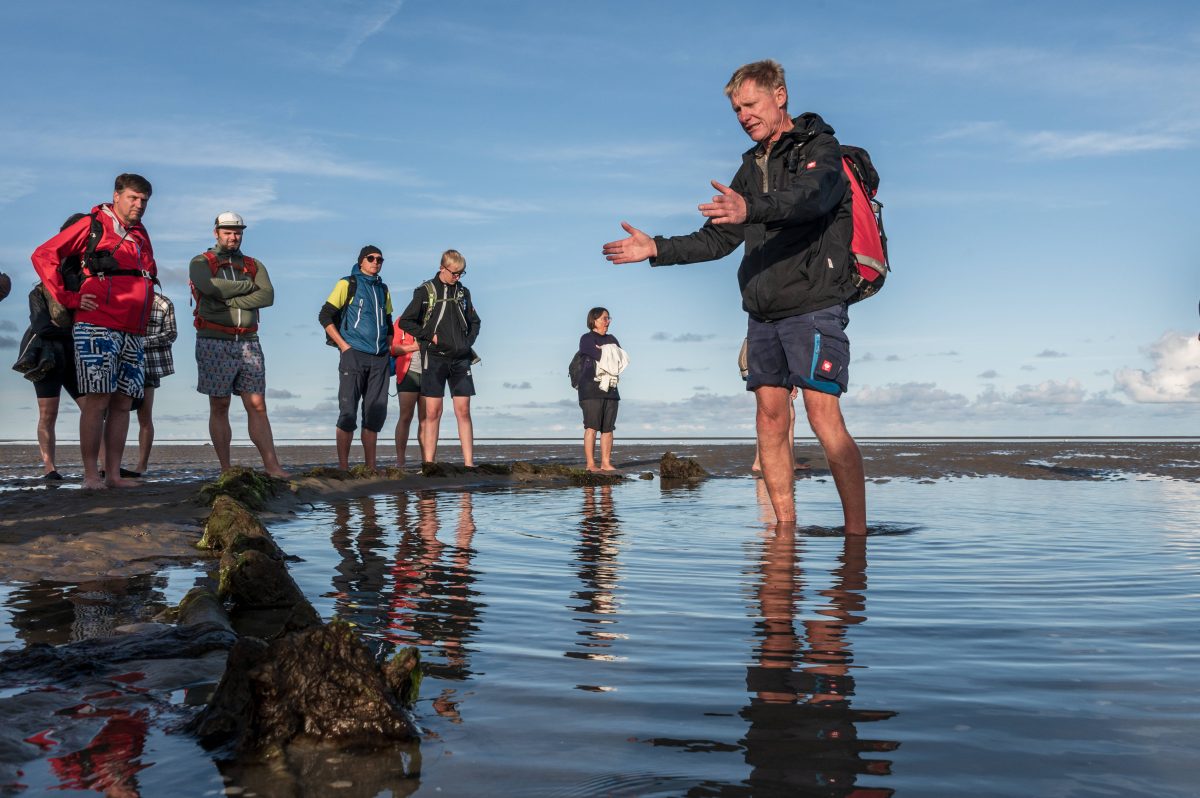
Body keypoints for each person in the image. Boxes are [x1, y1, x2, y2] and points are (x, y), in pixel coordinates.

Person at [603, 59, 867, 533]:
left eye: (750, 105)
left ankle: (856, 536)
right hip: (762, 313)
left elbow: (812, 198)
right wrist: (656, 248)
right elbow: (716, 240)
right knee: (769, 416)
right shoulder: (749, 167)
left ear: (779, 95)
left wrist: (753, 207)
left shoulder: (819, 148)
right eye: (737, 110)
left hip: (813, 302)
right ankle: (785, 529)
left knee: (821, 414)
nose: (744, 116)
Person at [31, 174, 157, 490]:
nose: (139, 205)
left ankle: (112, 475)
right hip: (97, 325)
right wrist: (69, 297)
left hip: (134, 329)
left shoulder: (140, 233)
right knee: (97, 400)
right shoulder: (92, 224)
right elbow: (43, 255)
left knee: (124, 401)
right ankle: (91, 476)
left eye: (144, 200)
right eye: (133, 198)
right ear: (116, 196)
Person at [191, 211, 288, 478]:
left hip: (249, 340)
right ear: (216, 232)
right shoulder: (201, 261)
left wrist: (232, 300)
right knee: (219, 404)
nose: (233, 236)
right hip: (213, 340)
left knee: (258, 405)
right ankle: (226, 468)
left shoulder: (254, 264)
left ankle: (273, 467)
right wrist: (248, 287)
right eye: (228, 232)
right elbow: (209, 288)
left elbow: (267, 295)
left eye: (237, 232)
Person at [398, 250, 481, 466]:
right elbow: (406, 321)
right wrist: (430, 337)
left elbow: (475, 321)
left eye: (462, 273)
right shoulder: (425, 291)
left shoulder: (464, 292)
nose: (458, 278)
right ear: (442, 268)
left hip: (461, 358)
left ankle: (469, 464)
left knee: (463, 410)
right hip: (434, 358)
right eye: (454, 273)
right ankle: (429, 464)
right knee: (433, 412)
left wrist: (467, 342)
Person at [320, 245, 394, 471]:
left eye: (380, 259)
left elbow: (389, 324)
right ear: (361, 261)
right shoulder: (347, 283)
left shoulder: (383, 289)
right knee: (348, 412)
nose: (375, 262)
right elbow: (325, 315)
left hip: (380, 358)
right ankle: (344, 469)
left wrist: (388, 349)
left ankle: (370, 469)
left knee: (374, 415)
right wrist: (344, 346)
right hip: (353, 355)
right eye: (371, 258)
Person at [129, 280, 176, 476]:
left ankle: (142, 465)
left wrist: (141, 342)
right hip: (123, 361)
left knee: (144, 416)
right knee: (112, 413)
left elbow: (171, 333)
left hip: (149, 364)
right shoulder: (124, 299)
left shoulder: (164, 303)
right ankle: (108, 465)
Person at [576, 307, 625, 472]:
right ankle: (590, 464)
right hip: (590, 389)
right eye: (605, 318)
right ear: (594, 320)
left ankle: (605, 462)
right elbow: (599, 356)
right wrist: (608, 351)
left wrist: (605, 350)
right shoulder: (586, 338)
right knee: (591, 427)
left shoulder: (612, 338)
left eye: (608, 318)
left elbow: (619, 359)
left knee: (608, 429)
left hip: (611, 389)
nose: (608, 321)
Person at [390, 314, 425, 467]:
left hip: (429, 373)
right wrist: (415, 347)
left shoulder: (435, 318)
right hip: (407, 372)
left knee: (426, 419)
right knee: (405, 416)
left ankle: (427, 461)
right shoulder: (401, 321)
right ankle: (400, 461)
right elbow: (392, 348)